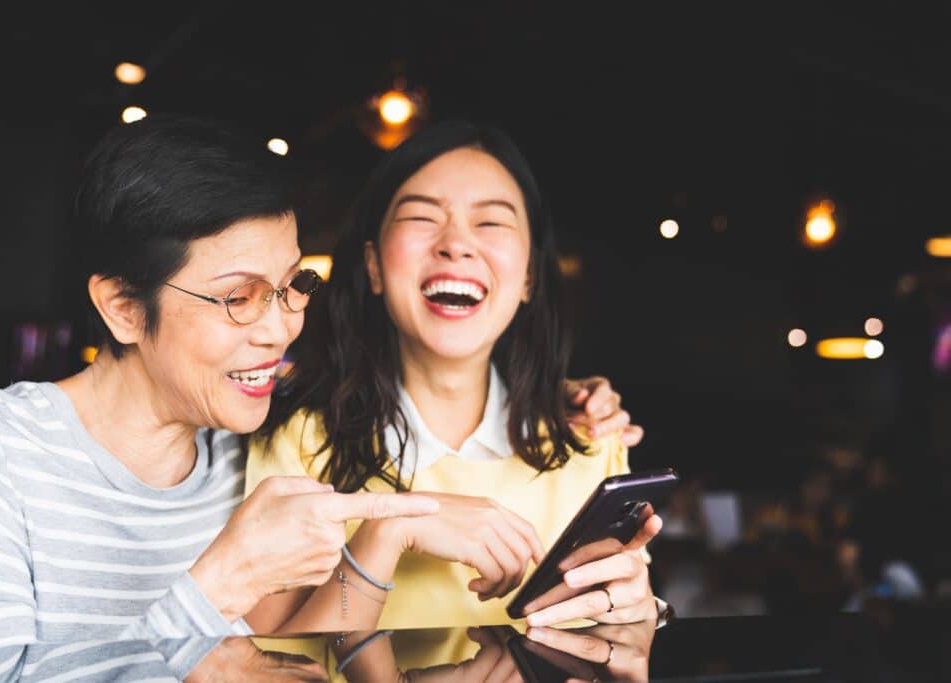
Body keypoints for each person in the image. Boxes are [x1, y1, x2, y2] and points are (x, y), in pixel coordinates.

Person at [0, 115, 635, 676]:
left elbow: (305, 659)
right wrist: (206, 618)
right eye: (238, 297)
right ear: (121, 307)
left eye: (293, 287)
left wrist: (563, 397)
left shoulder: (253, 444)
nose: (280, 330)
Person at [246, 121, 662, 631]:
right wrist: (387, 532)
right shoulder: (299, 445)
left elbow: (621, 631)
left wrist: (643, 616)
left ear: (529, 275)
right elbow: (264, 658)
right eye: (422, 217)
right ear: (373, 266)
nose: (457, 244)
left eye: (491, 222)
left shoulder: (591, 441)